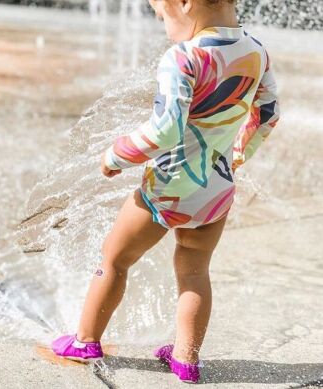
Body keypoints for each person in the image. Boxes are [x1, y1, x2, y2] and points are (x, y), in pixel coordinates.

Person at [51, 0, 280, 383]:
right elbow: (269, 113)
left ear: (186, 3)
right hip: (217, 189)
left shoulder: (184, 57)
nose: (159, 20)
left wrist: (116, 155)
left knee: (114, 259)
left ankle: (86, 340)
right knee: (194, 272)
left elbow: (166, 131)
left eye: (160, 12)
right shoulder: (257, 51)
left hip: (169, 187)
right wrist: (238, 156)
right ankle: (186, 359)